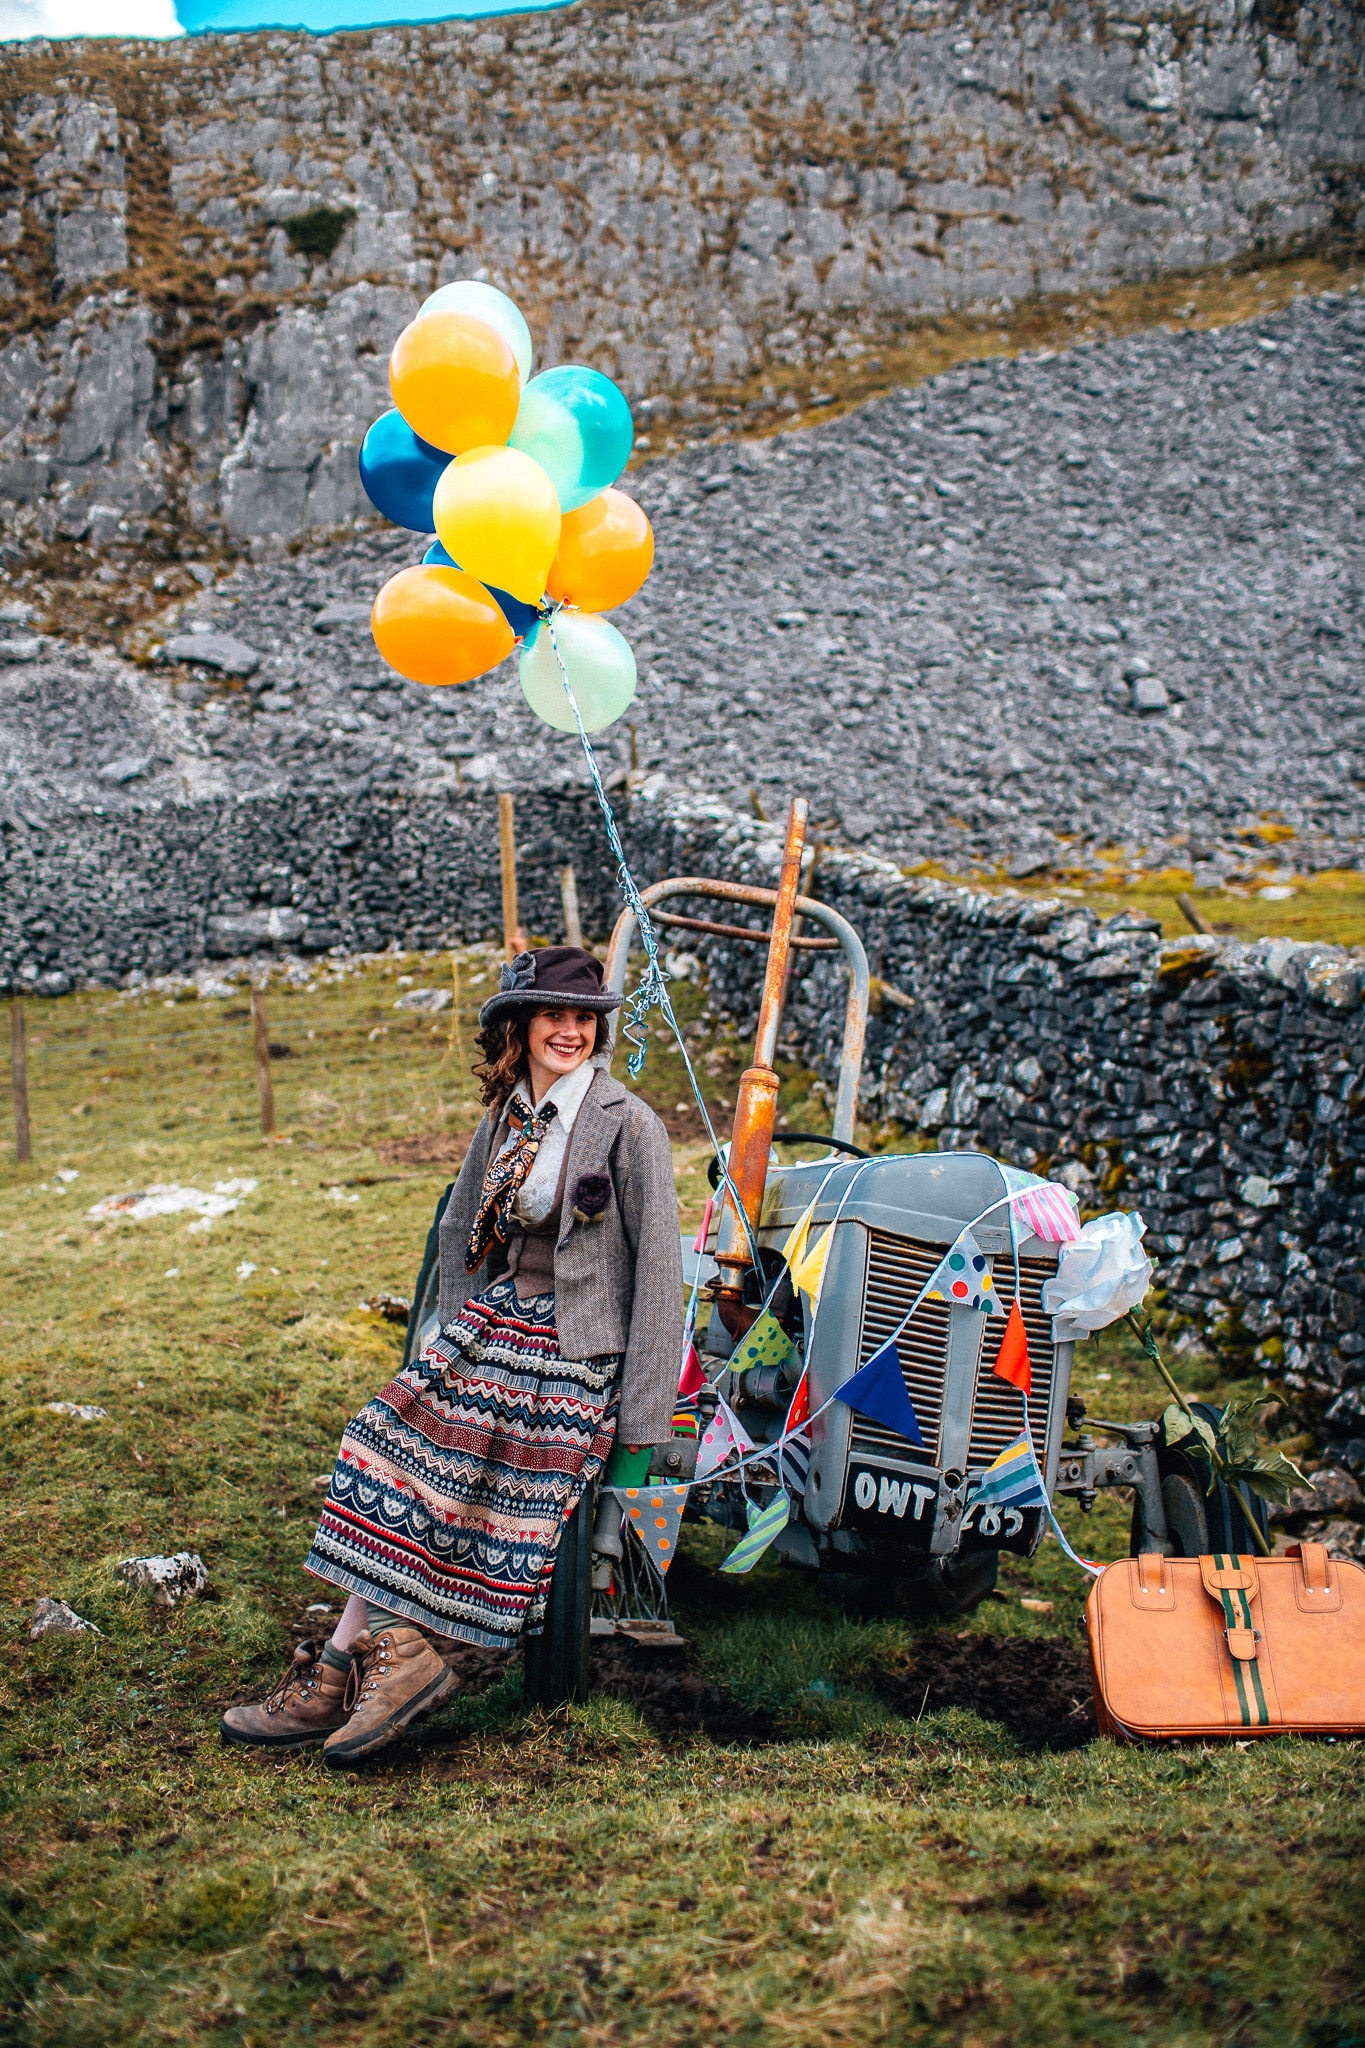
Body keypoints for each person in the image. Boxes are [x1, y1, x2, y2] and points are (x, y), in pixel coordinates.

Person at [222, 945, 684, 1765]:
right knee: (384, 1442)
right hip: (499, 1321)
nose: (570, 1031)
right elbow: (459, 1229)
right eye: (554, 1016)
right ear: (520, 1026)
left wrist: (641, 1429)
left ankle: (381, 1663)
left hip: (576, 1349)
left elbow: (657, 1278)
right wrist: (457, 1337)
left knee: (454, 1463)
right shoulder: (507, 1116)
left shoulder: (627, 1123)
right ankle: (351, 1669)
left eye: (584, 1018)